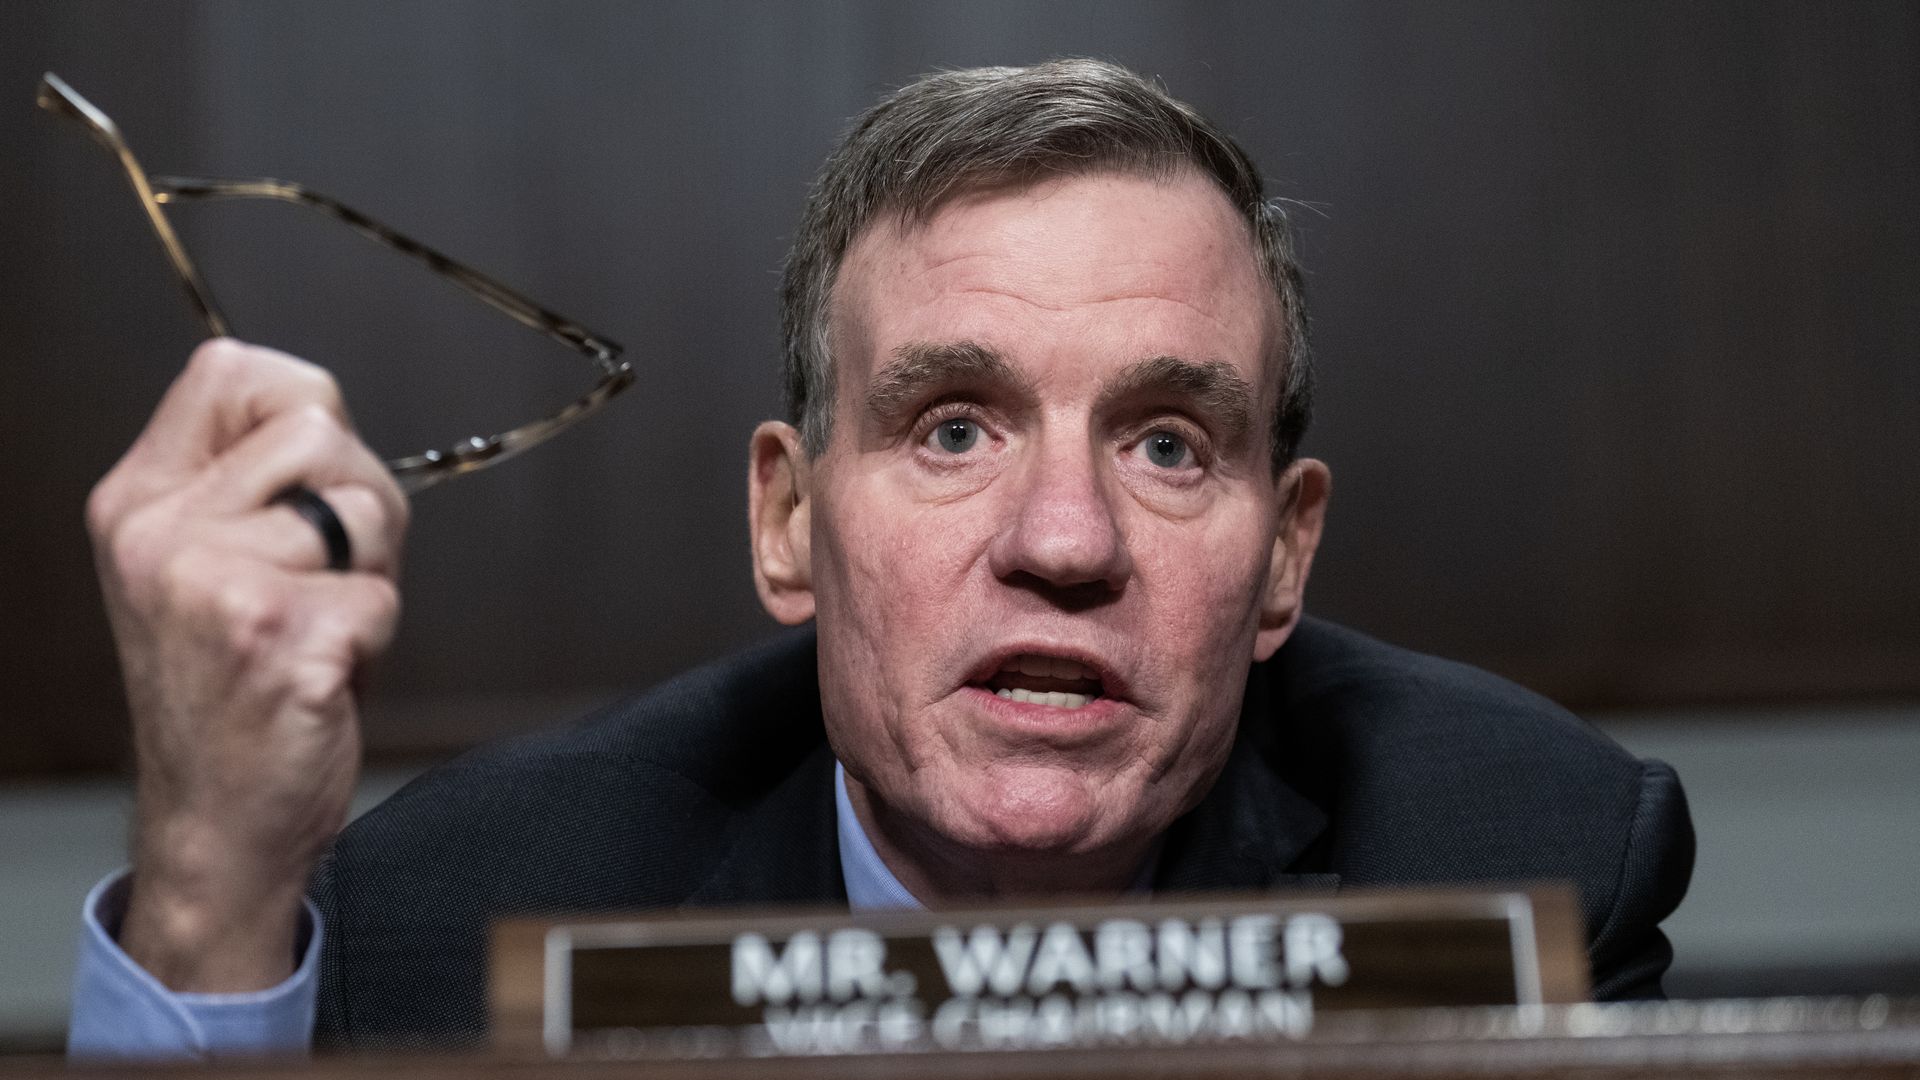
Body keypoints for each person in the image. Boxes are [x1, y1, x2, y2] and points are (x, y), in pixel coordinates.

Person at [68, 59, 1692, 1057]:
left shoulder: (1527, 858)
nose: (1066, 544)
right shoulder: (463, 917)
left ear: (1284, 558)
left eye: (1170, 446)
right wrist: (214, 885)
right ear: (788, 518)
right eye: (955, 430)